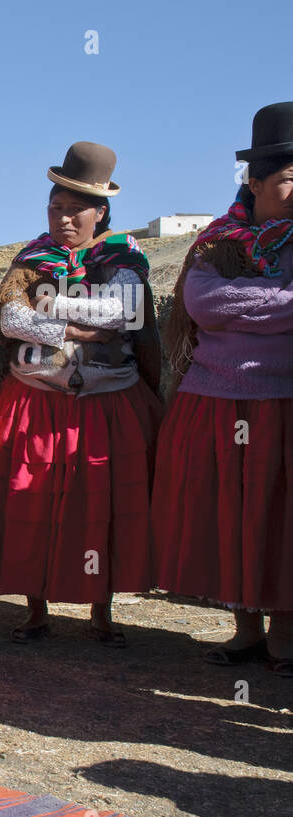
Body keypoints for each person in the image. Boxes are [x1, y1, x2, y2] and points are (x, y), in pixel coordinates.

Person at [0, 143, 162, 647]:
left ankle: (101, 614)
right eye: (55, 208)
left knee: (100, 507)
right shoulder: (32, 258)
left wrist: (49, 306)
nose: (63, 219)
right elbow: (10, 319)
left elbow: (124, 313)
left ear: (99, 211)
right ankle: (36, 611)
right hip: (37, 398)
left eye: (74, 210)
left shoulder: (124, 257)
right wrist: (72, 330)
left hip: (107, 400)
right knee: (31, 503)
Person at [155, 101, 293, 677]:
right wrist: (279, 304)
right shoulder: (216, 241)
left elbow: (219, 307)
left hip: (281, 400)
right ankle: (244, 631)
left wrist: (235, 311)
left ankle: (285, 634)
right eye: (288, 179)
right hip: (212, 399)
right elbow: (199, 302)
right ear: (255, 182)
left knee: (278, 516)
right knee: (228, 513)